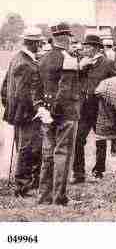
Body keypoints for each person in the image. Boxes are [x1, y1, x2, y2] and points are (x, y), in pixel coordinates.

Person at [36, 22, 81, 206]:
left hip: (46, 113)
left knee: (47, 155)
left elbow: (36, 87)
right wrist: (55, 110)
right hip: (65, 114)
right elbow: (64, 89)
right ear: (63, 37)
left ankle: (43, 196)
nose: (71, 39)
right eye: (69, 36)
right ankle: (59, 198)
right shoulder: (68, 59)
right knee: (62, 154)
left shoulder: (43, 59)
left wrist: (43, 108)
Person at [71, 34, 116, 184]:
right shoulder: (82, 63)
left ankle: (99, 170)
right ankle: (78, 173)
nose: (84, 50)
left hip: (101, 109)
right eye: (84, 47)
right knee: (78, 139)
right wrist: (80, 68)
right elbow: (75, 81)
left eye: (87, 47)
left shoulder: (108, 63)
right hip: (85, 109)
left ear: (96, 48)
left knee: (101, 140)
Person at [1, 27, 43, 197]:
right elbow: (25, 94)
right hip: (27, 115)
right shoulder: (27, 64)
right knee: (28, 148)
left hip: (18, 113)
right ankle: (22, 186)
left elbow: (4, 88)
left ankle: (24, 183)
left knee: (24, 147)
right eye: (39, 42)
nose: (40, 45)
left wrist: (10, 107)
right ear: (33, 43)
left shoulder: (15, 59)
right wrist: (36, 110)